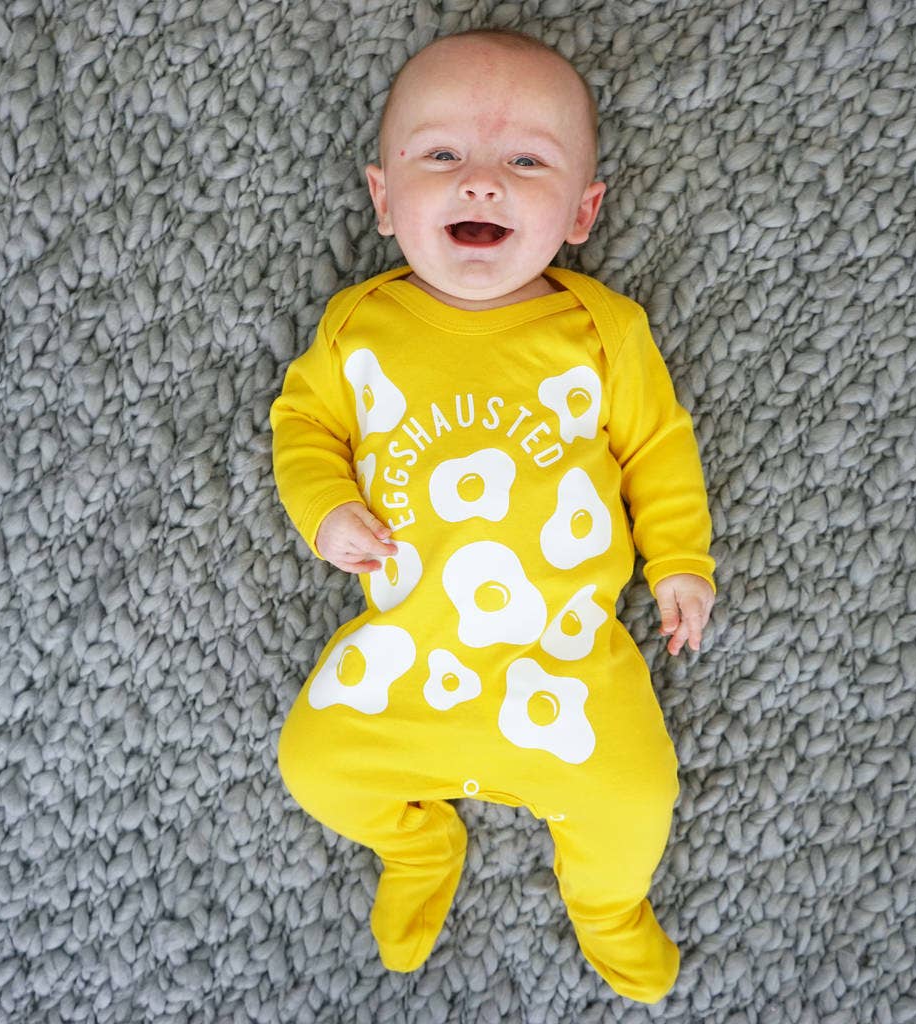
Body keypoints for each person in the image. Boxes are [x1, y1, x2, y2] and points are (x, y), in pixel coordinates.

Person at [270, 27, 716, 1004]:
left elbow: (655, 446)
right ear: (384, 200)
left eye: (523, 160)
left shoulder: (601, 329)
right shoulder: (360, 325)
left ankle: (604, 905)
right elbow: (302, 426)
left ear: (581, 210)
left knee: (637, 794)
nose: (480, 184)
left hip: (563, 659)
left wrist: (679, 559)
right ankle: (417, 836)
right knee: (310, 762)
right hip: (404, 669)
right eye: (440, 157)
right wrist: (326, 507)